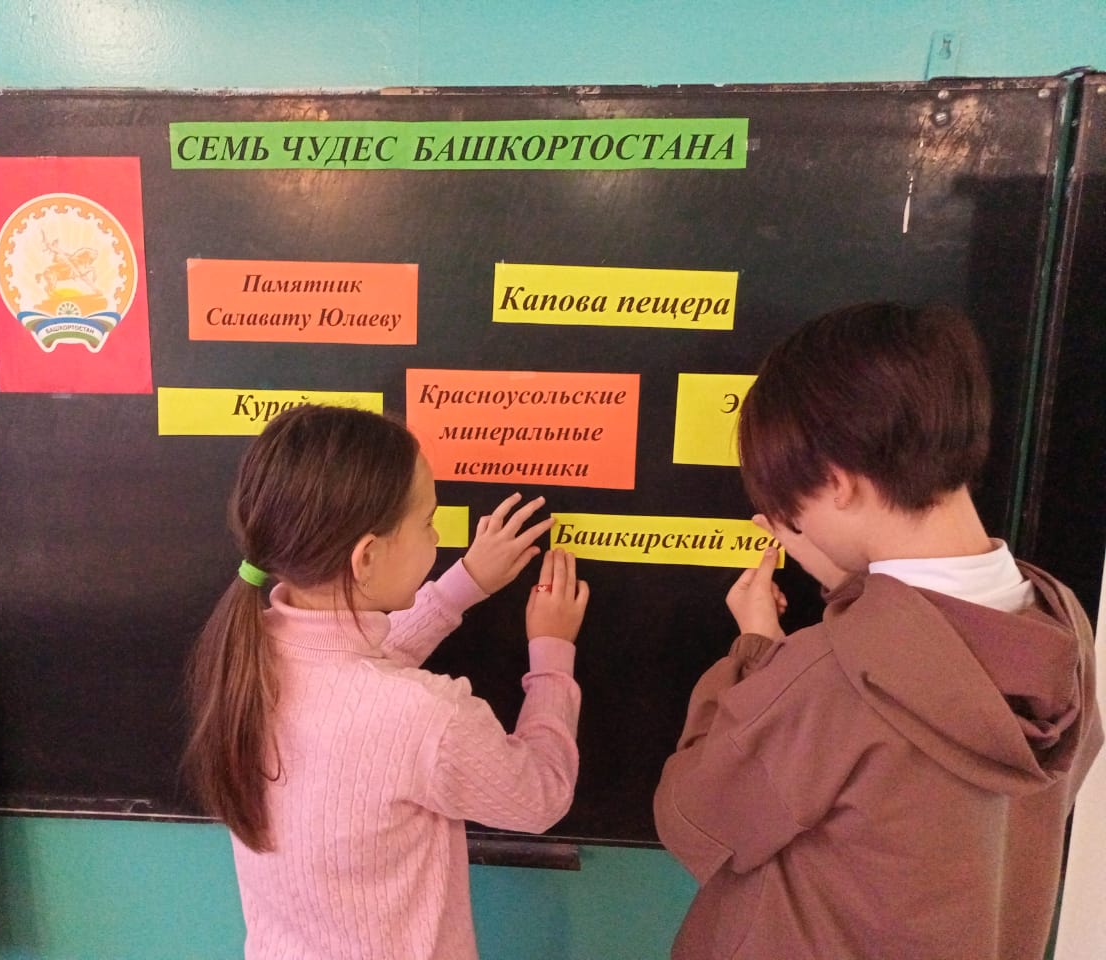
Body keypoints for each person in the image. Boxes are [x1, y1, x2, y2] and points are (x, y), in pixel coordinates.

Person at [653, 302, 1102, 960]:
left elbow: (691, 817)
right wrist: (850, 584)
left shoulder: (828, 677)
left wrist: (755, 651)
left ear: (837, 483)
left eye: (792, 510)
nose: (794, 529)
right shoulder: (1062, 626)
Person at [183, 403, 588, 960]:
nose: (437, 535)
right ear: (367, 557)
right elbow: (541, 794)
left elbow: (355, 674)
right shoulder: (428, 717)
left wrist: (463, 584)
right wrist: (552, 654)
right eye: (427, 522)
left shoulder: (243, 659)